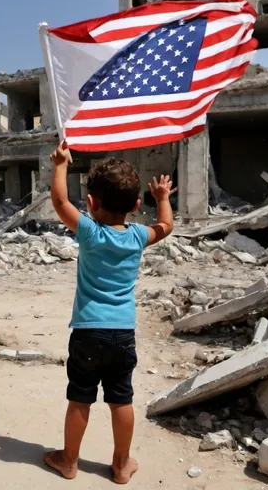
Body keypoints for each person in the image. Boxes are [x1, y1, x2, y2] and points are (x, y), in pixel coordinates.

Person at [43, 141, 176, 484]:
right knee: (122, 400)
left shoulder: (89, 231)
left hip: (88, 332)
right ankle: (120, 464)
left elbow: (59, 202)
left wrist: (60, 164)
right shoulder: (136, 237)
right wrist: (162, 198)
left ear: (90, 203)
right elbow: (166, 226)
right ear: (135, 205)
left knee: (80, 399)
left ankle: (69, 460)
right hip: (122, 334)